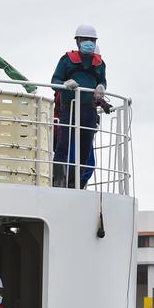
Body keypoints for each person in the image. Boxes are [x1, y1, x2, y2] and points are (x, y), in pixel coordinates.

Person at [51, 24, 107, 189]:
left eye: (92, 40)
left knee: (85, 148)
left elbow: (102, 80)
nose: (89, 43)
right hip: (69, 109)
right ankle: (59, 181)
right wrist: (65, 84)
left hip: (89, 110)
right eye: (85, 39)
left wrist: (101, 87)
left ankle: (75, 182)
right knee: (63, 145)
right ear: (78, 41)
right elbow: (54, 82)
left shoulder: (100, 64)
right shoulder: (66, 60)